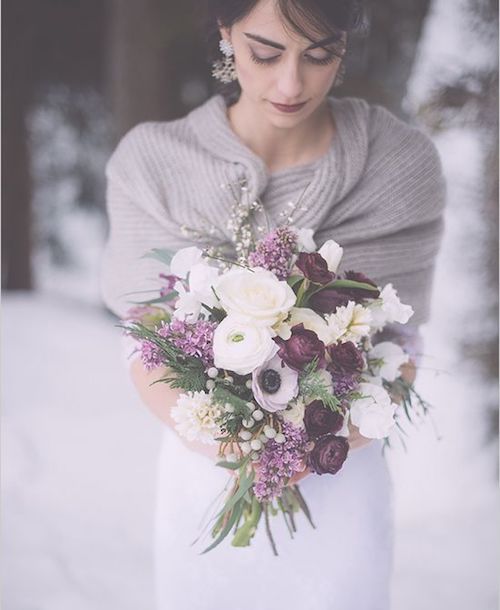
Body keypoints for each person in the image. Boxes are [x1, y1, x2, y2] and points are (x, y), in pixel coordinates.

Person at [100, 1, 446, 608]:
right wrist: (227, 445)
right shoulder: (152, 163)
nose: (292, 84)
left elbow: (400, 349)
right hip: (202, 475)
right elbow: (145, 334)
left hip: (341, 473)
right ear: (224, 30)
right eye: (265, 53)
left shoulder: (400, 167)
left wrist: (312, 446)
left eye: (320, 55)